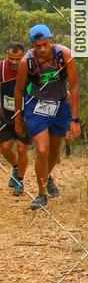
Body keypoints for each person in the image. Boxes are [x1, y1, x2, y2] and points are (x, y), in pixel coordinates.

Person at [14, 24, 81, 211]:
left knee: (54, 153)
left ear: (51, 39)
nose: (42, 49)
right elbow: (19, 92)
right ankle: (41, 194)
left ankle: (47, 176)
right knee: (42, 150)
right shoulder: (26, 62)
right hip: (36, 107)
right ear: (33, 45)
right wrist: (18, 121)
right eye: (38, 46)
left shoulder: (65, 55)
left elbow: (74, 86)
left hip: (59, 106)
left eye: (45, 44)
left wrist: (75, 119)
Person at [0, 42, 30, 196]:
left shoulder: (29, 69)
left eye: (17, 59)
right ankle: (16, 167)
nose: (14, 62)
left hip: (24, 117)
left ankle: (20, 180)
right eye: (11, 58)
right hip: (6, 116)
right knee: (4, 148)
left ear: (23, 57)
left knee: (21, 148)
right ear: (7, 54)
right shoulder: (1, 68)